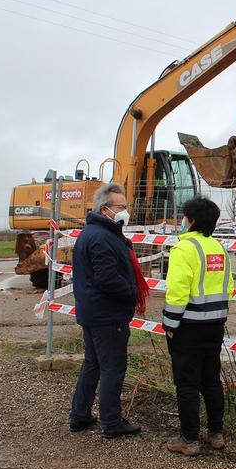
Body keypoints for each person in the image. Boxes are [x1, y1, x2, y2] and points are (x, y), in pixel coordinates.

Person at [69, 182, 148, 439]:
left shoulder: (92, 233)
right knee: (113, 368)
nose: (126, 212)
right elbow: (107, 278)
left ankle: (80, 415)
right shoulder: (103, 238)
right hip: (107, 315)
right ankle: (112, 422)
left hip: (92, 312)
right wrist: (132, 292)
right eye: (121, 207)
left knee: (92, 364)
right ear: (105, 210)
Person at [163, 196, 234, 456]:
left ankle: (189, 439)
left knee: (187, 383)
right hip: (215, 324)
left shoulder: (184, 249)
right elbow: (229, 287)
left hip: (188, 326)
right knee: (211, 379)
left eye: (184, 218)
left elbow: (178, 291)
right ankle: (216, 434)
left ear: (190, 221)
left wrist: (169, 324)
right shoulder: (219, 248)